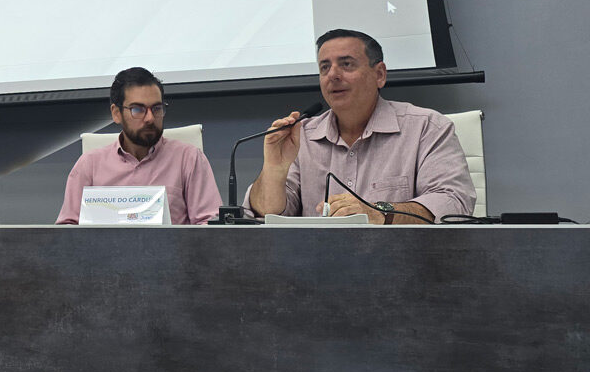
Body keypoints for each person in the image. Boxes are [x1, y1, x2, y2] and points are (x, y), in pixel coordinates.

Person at [248, 29, 475, 223]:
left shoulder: (427, 127)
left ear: (380, 74)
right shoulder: (301, 136)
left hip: (401, 257)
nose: (333, 75)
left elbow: (453, 202)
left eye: (346, 64)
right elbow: (266, 215)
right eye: (325, 67)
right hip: (316, 257)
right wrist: (274, 169)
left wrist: (379, 212)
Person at [57, 67, 222, 225]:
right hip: (105, 246)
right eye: (138, 109)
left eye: (156, 108)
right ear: (116, 113)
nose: (150, 118)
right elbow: (66, 230)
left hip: (172, 246)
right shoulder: (90, 165)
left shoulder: (189, 159)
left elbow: (210, 225)